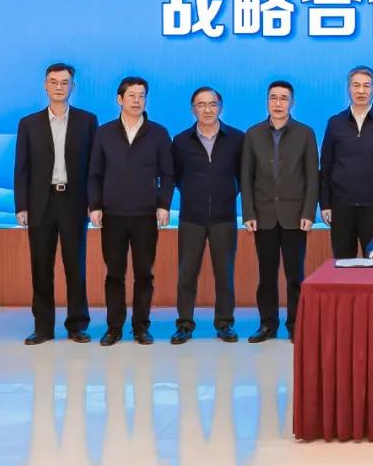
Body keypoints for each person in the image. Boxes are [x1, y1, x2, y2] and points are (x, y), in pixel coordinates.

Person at [13, 62, 98, 345]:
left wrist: (94, 202)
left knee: (75, 266)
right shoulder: (28, 123)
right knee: (41, 267)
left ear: (73, 87)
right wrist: (21, 205)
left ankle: (77, 325)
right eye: (54, 82)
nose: (59, 87)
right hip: (40, 203)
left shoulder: (87, 121)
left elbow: (94, 167)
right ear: (45, 85)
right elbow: (21, 167)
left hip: (74, 202)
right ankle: (43, 327)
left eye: (64, 82)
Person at [88, 76, 173, 346]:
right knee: (114, 274)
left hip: (145, 215)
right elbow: (94, 173)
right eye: (131, 96)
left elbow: (168, 174)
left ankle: (141, 327)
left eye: (141, 96)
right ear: (119, 99)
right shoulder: (104, 132)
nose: (137, 101)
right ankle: (114, 328)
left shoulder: (158, 133)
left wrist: (163, 205)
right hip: (112, 215)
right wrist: (95, 205)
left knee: (144, 274)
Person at [241, 80, 319, 343]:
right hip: (263, 215)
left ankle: (296, 324)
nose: (278, 103)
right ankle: (268, 324)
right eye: (273, 98)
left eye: (283, 98)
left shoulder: (305, 133)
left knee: (295, 275)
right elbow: (245, 178)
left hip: (295, 216)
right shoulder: (252, 134)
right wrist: (248, 213)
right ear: (267, 101)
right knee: (266, 275)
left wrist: (308, 212)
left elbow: (312, 177)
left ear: (292, 103)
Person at [169, 86, 243, 345]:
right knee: (187, 274)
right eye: (201, 105)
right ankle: (184, 324)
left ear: (220, 107)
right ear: (193, 110)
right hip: (191, 218)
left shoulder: (237, 139)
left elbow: (242, 176)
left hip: (224, 217)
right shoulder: (180, 141)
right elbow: (176, 176)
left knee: (225, 274)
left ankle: (225, 324)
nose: (207, 110)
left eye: (212, 104)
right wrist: (193, 193)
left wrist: (226, 194)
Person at [320, 66, 373, 258]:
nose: (361, 91)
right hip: (341, 206)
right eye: (356, 85)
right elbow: (326, 166)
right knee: (342, 262)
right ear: (348, 88)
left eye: (366, 86)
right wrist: (325, 204)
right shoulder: (335, 122)